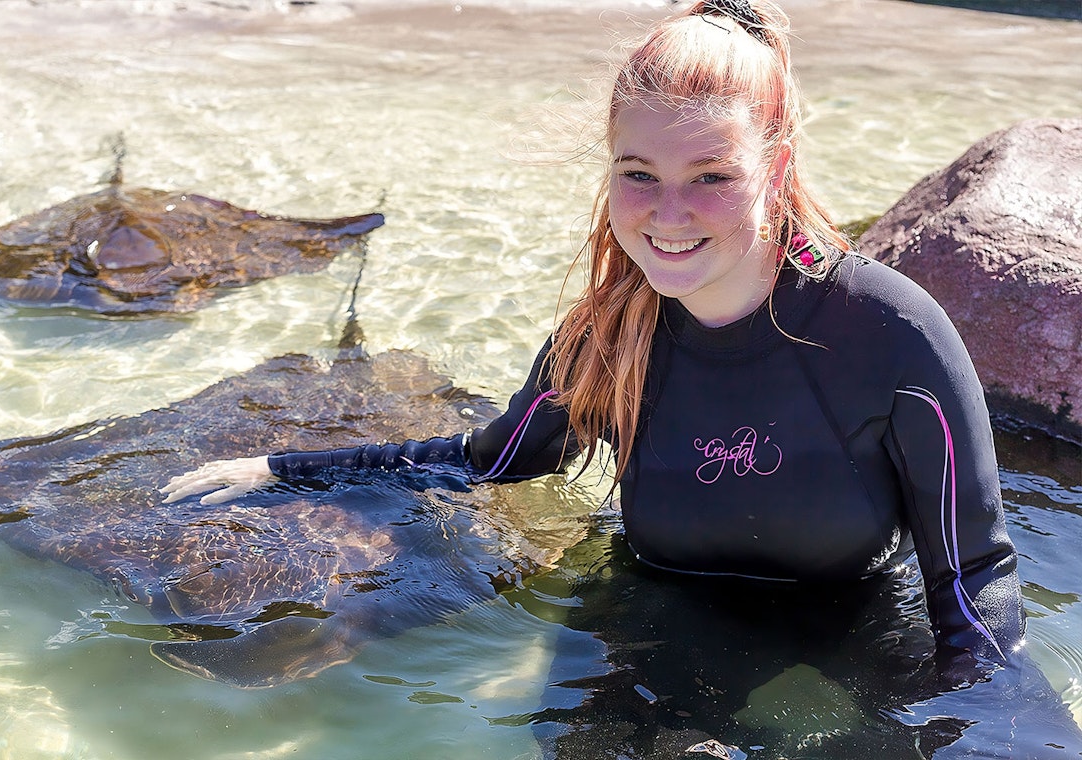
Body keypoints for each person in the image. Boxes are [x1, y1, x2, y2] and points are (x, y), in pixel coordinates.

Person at [162, 0, 1024, 687]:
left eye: (713, 177)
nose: (669, 214)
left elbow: (972, 580)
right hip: (648, 636)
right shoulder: (603, 338)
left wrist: (969, 731)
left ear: (779, 168)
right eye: (639, 174)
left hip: (854, 643)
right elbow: (488, 461)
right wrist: (285, 472)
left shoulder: (890, 334)